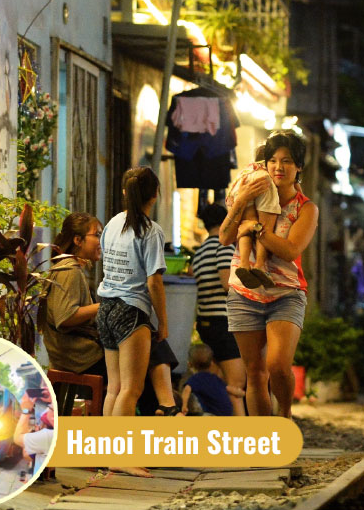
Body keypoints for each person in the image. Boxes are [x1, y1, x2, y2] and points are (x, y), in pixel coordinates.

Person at [219, 132, 319, 418]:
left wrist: (256, 228)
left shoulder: (306, 208)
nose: (278, 167)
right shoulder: (252, 189)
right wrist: (243, 203)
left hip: (285, 293)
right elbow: (225, 237)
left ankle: (284, 415)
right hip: (243, 292)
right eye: (273, 160)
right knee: (254, 372)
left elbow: (290, 250)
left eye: (287, 161)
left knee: (277, 365)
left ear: (298, 167)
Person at [95, 166, 169, 477]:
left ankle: (108, 454)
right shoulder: (151, 231)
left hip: (105, 308)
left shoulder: (112, 224)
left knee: (114, 387)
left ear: (126, 193)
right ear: (154, 194)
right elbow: (154, 282)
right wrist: (163, 321)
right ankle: (121, 457)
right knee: (131, 389)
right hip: (131, 311)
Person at [42, 213, 107, 411]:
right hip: (77, 355)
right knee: (134, 369)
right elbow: (66, 317)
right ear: (78, 240)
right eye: (97, 235)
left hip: (71, 352)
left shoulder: (67, 267)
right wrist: (104, 306)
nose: (101, 241)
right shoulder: (70, 270)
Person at [190, 203, 246, 415]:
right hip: (224, 323)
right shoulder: (223, 246)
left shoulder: (200, 251)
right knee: (236, 386)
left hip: (206, 322)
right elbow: (227, 283)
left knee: (217, 386)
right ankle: (244, 439)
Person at [226, 143, 281, 291]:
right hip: (262, 183)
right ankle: (260, 265)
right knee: (264, 228)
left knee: (247, 225)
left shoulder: (245, 170)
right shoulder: (267, 171)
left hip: (241, 187)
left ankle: (244, 263)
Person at [180, 343, 235, 416]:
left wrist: (184, 406)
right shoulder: (215, 378)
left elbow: (186, 390)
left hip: (212, 414)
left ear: (190, 364)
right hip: (228, 413)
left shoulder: (196, 379)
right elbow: (227, 388)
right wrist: (240, 392)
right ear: (211, 363)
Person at [14, 394, 55, 479]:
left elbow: (18, 438)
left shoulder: (48, 436)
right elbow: (28, 455)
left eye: (50, 408)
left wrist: (26, 410)